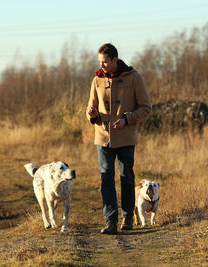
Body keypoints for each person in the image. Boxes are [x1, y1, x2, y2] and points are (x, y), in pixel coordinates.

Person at [86, 43, 151, 234]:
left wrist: (127, 119)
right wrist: (91, 113)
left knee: (126, 178)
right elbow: (90, 108)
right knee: (106, 178)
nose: (102, 65)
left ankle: (128, 217)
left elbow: (146, 108)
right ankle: (110, 221)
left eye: (105, 61)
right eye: (100, 62)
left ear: (115, 60)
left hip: (126, 137)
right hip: (103, 137)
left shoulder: (134, 77)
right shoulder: (97, 79)